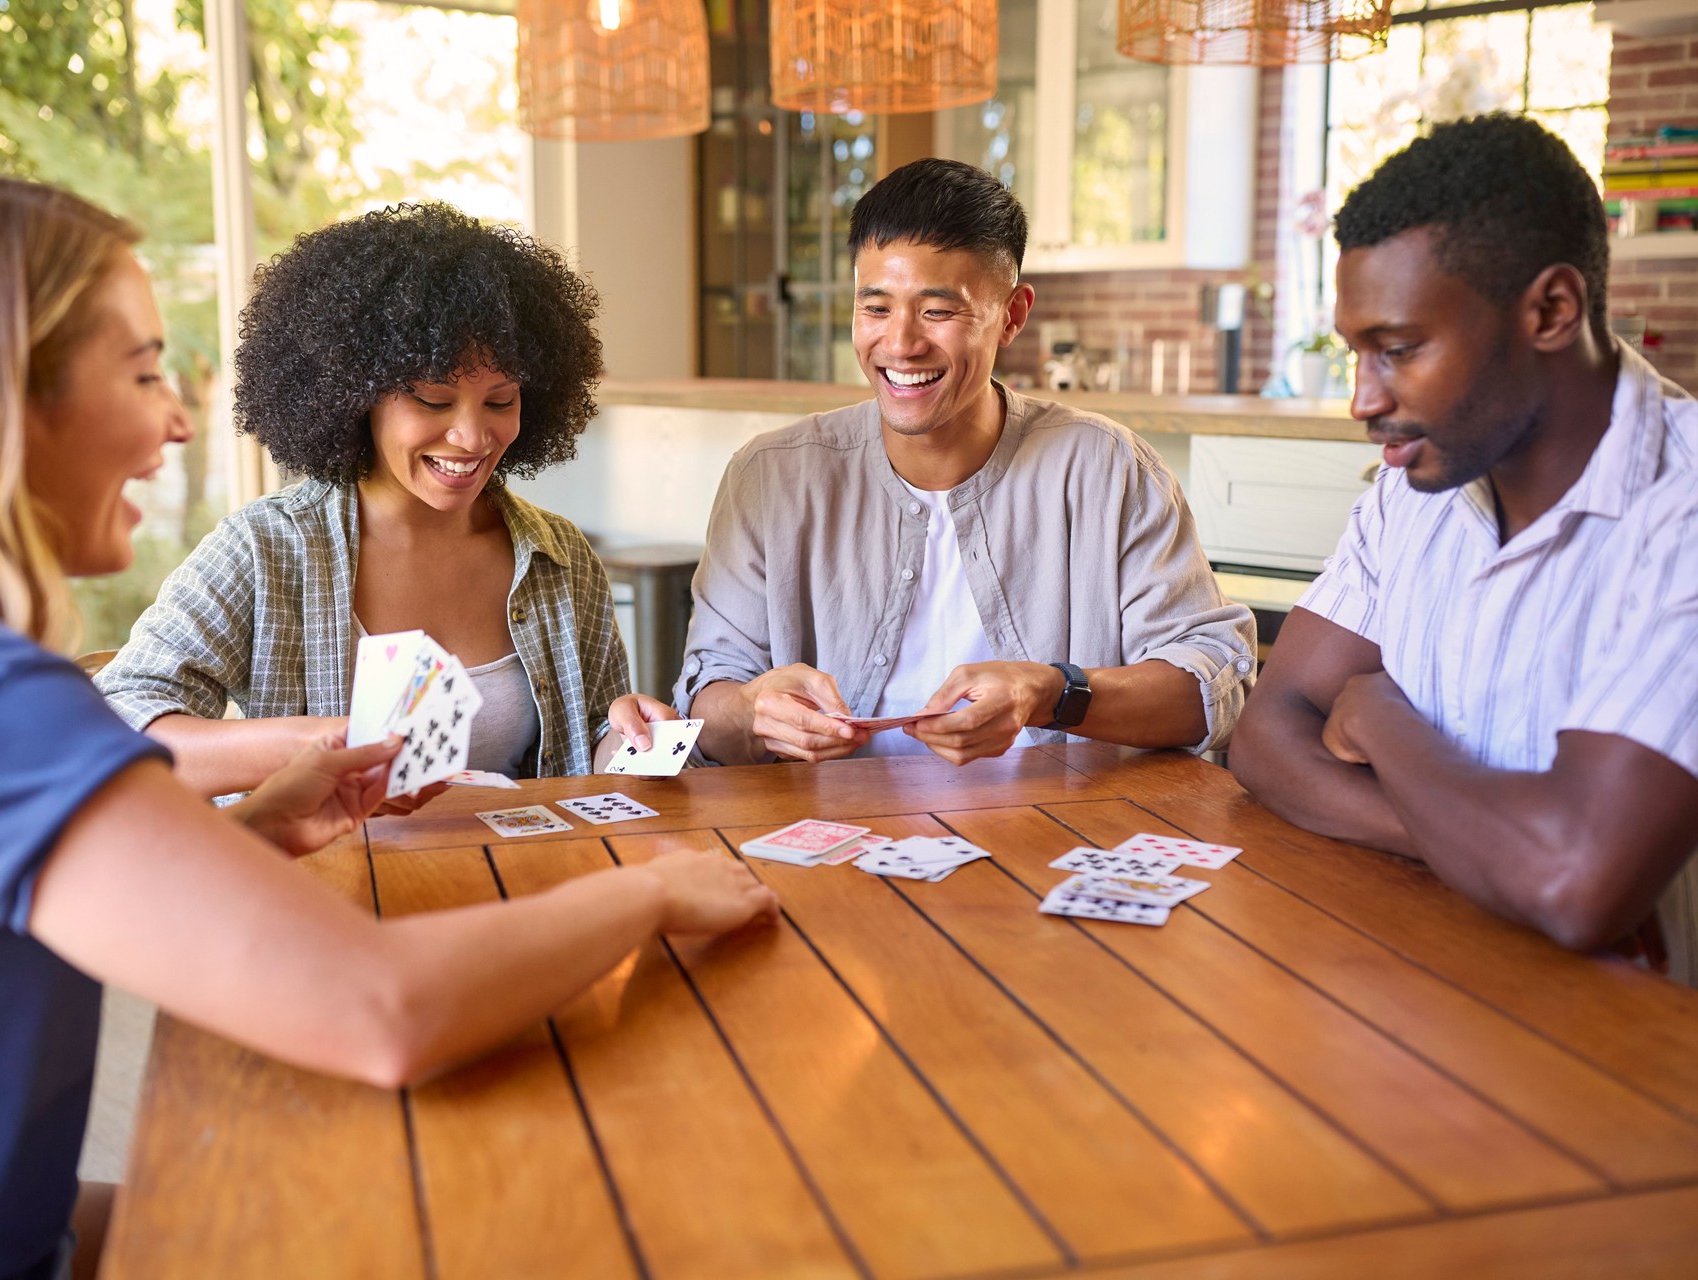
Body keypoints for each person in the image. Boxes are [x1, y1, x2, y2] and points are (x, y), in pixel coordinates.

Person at [0, 171, 777, 1280]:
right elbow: (382, 1008)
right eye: (147, 370)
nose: (176, 416)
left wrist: (247, 831)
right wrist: (653, 889)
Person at [1228, 114, 1698, 982]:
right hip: (1415, 989)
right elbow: (1265, 739)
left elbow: (1573, 881)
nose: (1363, 401)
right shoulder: (1414, 492)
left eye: (1398, 349)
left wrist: (1380, 719)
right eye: (1355, 354)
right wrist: (1491, 852)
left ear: (1551, 310)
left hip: (1634, 1058)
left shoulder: (1684, 511)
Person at [667, 159, 1255, 766]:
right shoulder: (769, 478)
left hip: (1058, 836)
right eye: (875, 309)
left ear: (1014, 315)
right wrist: (754, 712)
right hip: (834, 836)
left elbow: (1214, 687)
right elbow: (706, 703)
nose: (900, 344)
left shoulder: (1108, 470)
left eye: (938, 311)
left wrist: (1051, 694)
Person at [96, 203, 673, 797]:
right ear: (354, 393)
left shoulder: (559, 556)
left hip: (522, 878)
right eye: (431, 399)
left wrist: (626, 741)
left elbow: (589, 741)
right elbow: (116, 731)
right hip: (326, 885)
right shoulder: (267, 549)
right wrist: (322, 747)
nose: (473, 437)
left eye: (500, 402)